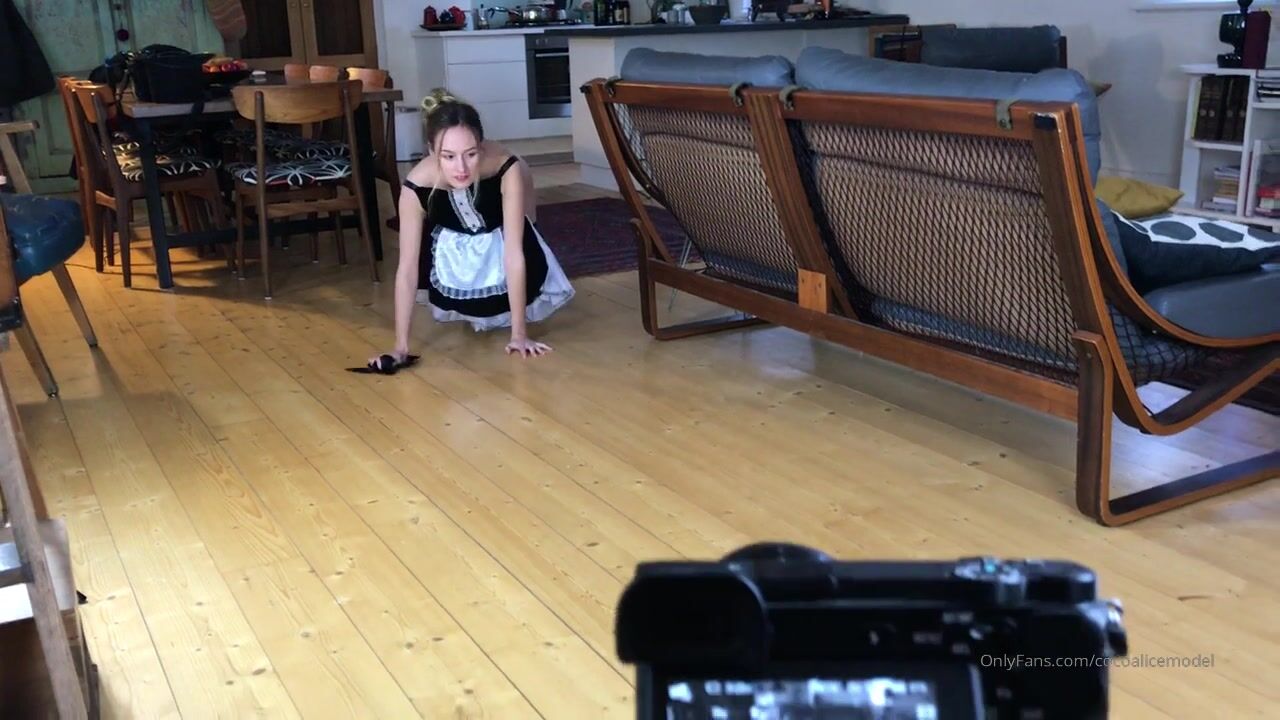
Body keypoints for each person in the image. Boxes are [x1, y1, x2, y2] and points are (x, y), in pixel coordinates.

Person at [371, 88, 574, 365]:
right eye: (448, 156)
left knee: (522, 242)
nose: (462, 168)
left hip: (508, 229)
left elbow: (514, 253)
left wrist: (519, 335)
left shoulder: (505, 167)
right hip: (459, 253)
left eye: (471, 154)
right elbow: (406, 269)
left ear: (481, 146)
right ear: (431, 151)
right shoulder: (415, 187)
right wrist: (400, 348)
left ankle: (514, 314)